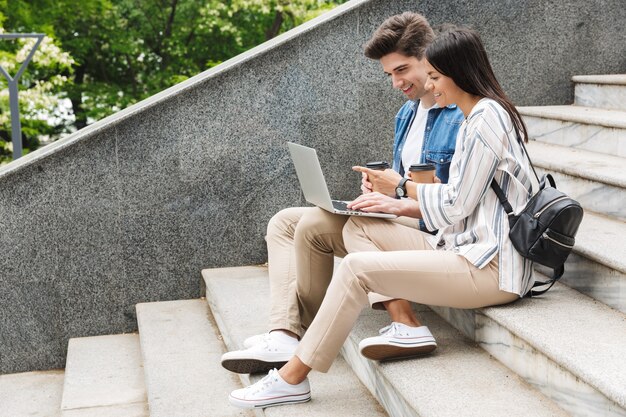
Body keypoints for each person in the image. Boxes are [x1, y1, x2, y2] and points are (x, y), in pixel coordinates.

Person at [227, 27, 535, 409]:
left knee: (356, 267)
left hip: (492, 266)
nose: (432, 87)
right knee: (343, 233)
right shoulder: (477, 116)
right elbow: (458, 201)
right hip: (466, 248)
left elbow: (456, 205)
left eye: (435, 76)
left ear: (457, 72)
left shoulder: (484, 118)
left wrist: (400, 192)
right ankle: (292, 353)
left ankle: (292, 377)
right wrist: (388, 196)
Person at [220, 12, 464, 375]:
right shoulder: (406, 115)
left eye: (402, 70)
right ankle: (285, 331)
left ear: (428, 58)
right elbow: (401, 183)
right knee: (284, 222)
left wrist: (396, 192)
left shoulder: (459, 114)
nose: (396, 82)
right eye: (389, 75)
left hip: (434, 230)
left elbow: (453, 199)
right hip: (401, 217)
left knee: (322, 225)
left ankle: (403, 320)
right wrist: (378, 189)